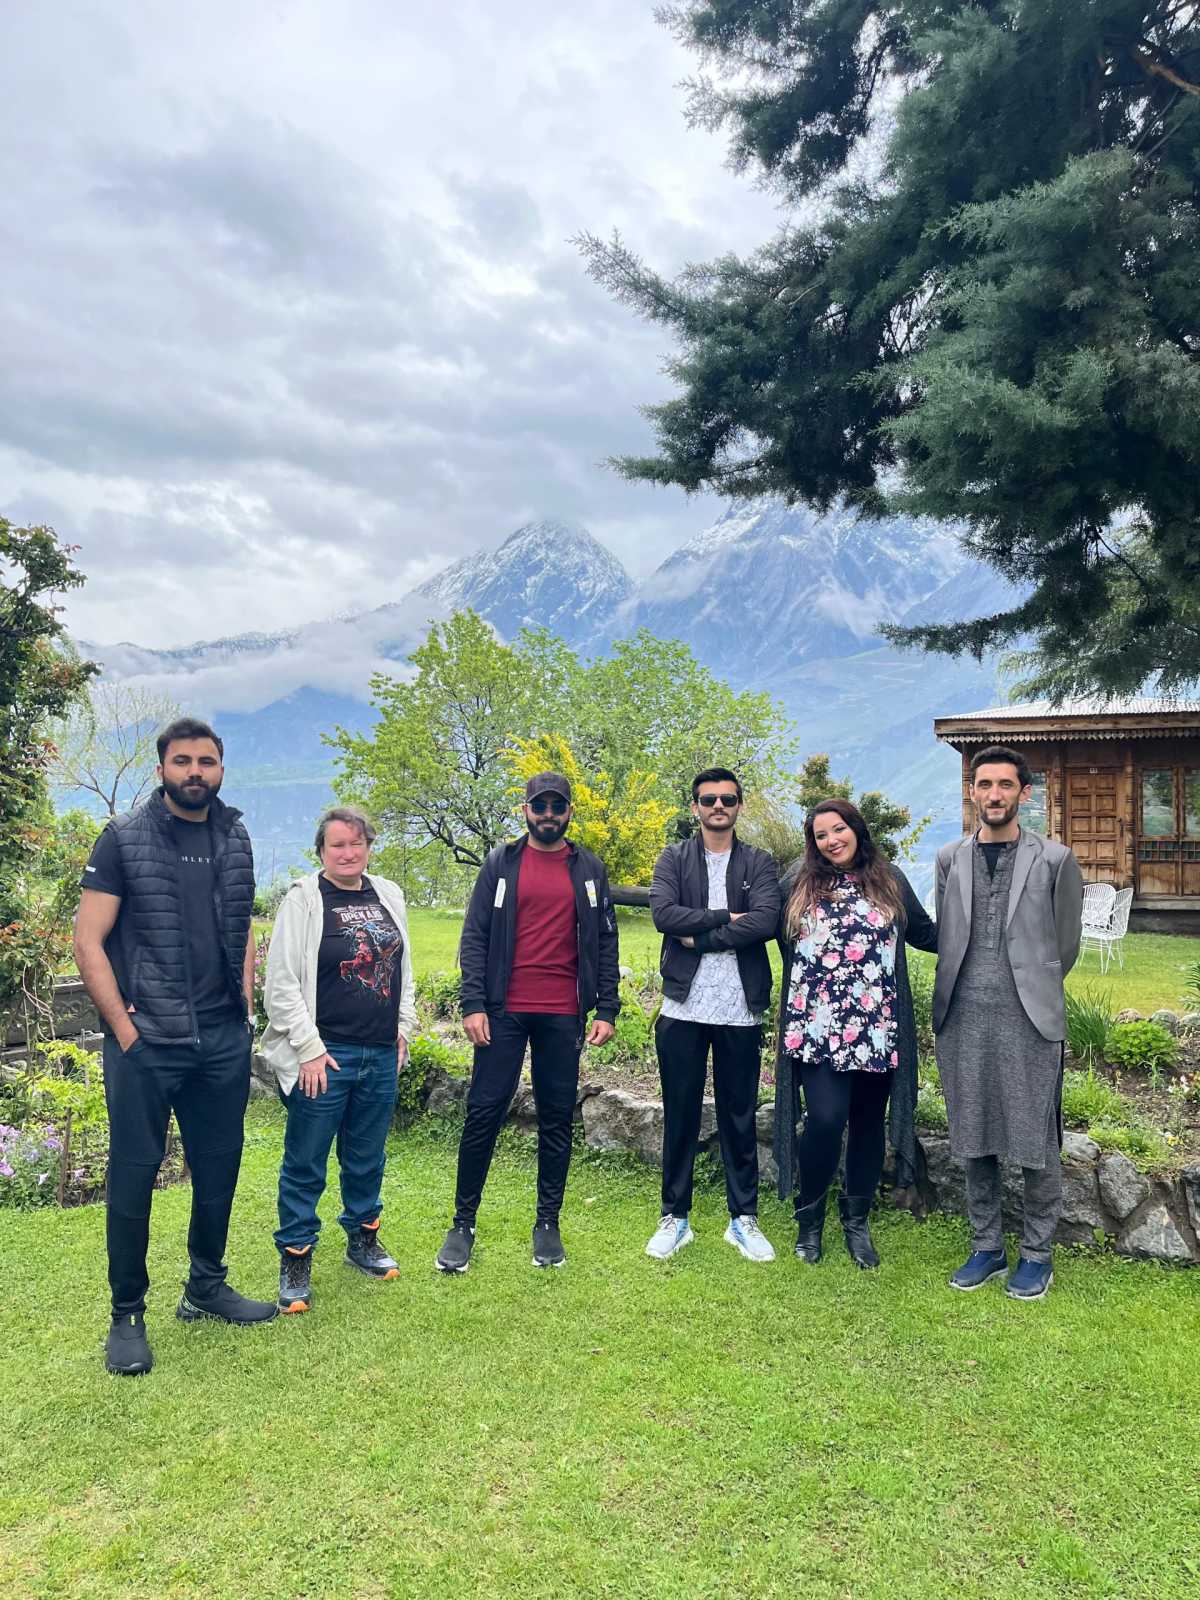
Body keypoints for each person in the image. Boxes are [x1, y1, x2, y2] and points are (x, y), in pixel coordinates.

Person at [73, 716, 275, 1378]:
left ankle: (206, 1285)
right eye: (182, 761)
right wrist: (124, 1030)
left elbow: (244, 925)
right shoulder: (124, 838)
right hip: (147, 1043)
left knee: (219, 1168)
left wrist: (243, 1010)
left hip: (220, 1038)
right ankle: (127, 1313)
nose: (194, 772)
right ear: (161, 768)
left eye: (206, 762)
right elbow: (88, 940)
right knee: (135, 1174)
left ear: (221, 770)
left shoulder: (235, 835)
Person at [435, 772, 619, 1273]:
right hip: (503, 1011)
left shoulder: (589, 869)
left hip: (563, 1012)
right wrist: (473, 1003)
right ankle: (462, 1224)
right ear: (526, 811)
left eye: (557, 806)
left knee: (557, 1116)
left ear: (569, 812)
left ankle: (547, 1223)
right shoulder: (501, 863)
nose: (548, 815)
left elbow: (605, 940)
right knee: (484, 1112)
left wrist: (606, 1007)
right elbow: (475, 935)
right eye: (540, 806)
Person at [934, 745, 1083, 1300]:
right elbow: (949, 934)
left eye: (1004, 784)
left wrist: (1030, 986)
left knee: (1035, 1137)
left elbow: (1064, 945)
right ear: (972, 791)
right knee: (972, 1134)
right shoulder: (949, 858)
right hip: (963, 1013)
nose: (993, 794)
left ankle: (1037, 1254)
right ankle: (987, 1246)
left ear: (1024, 792)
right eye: (984, 784)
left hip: (1030, 1019)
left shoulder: (1055, 859)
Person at [260, 806, 417, 1313]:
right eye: (337, 845)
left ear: (369, 846)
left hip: (380, 1052)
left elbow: (404, 970)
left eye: (356, 843)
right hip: (325, 1057)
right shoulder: (304, 900)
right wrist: (309, 1049)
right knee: (306, 1161)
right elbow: (281, 985)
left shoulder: (387, 894)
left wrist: (403, 1028)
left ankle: (363, 1240)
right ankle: (296, 1257)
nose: (348, 853)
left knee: (367, 1157)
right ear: (321, 851)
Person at [772, 799, 937, 1269]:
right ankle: (809, 1219)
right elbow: (769, 927)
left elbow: (925, 933)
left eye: (838, 829)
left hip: (876, 1028)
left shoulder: (889, 880)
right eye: (821, 835)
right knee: (825, 1119)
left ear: (857, 830)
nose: (831, 841)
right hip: (817, 1028)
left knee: (867, 1124)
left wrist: (981, 939)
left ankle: (856, 1220)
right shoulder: (798, 881)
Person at [646, 768, 781, 1262]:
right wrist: (727, 918)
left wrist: (698, 937)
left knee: (739, 1115)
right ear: (695, 807)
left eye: (727, 798)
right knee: (680, 1114)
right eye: (709, 799)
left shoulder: (759, 861)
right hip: (682, 1006)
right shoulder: (674, 857)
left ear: (739, 805)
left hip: (740, 1008)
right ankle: (674, 1217)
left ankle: (743, 1219)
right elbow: (663, 915)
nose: (718, 806)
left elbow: (765, 921)